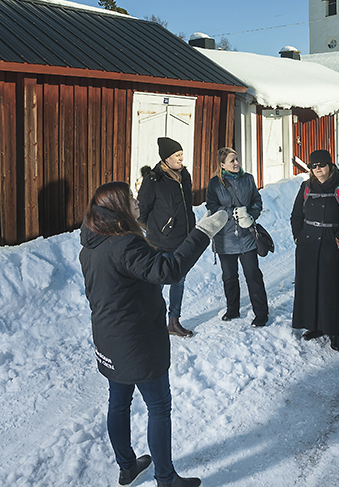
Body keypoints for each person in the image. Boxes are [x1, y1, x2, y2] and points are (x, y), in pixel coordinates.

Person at [79, 181, 228, 487]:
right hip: (138, 342)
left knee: (117, 403)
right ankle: (166, 478)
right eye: (130, 199)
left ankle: (127, 466)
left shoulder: (92, 244)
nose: (136, 202)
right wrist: (202, 233)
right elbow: (170, 271)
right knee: (158, 407)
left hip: (108, 339)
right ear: (119, 208)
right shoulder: (125, 244)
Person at [290, 149, 339, 351]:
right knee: (309, 287)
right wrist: (298, 237)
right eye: (313, 166)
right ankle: (314, 326)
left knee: (331, 289)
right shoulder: (305, 187)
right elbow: (296, 216)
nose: (317, 169)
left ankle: (334, 331)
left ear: (330, 165)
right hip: (308, 244)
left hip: (331, 244)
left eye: (321, 165)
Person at [138, 137, 196, 337]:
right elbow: (142, 211)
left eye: (181, 155)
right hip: (162, 242)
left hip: (183, 239)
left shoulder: (184, 175)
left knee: (179, 280)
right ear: (166, 158)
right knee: (158, 283)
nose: (181, 159)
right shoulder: (154, 179)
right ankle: (149, 321)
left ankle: (173, 322)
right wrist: (158, 230)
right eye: (177, 156)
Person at [206, 147, 269, 327]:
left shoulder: (247, 179)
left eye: (237, 159)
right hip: (224, 238)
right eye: (232, 161)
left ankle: (261, 313)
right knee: (229, 276)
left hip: (246, 236)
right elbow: (211, 206)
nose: (236, 163)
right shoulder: (215, 183)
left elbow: (257, 201)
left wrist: (251, 216)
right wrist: (232, 212)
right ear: (222, 165)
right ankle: (233, 309)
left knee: (253, 275)